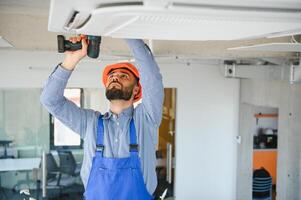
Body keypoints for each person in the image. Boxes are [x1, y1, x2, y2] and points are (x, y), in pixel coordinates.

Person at [40, 35, 164, 199]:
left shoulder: (146, 119)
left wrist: (126, 31)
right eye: (112, 77)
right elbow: (50, 100)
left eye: (123, 76)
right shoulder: (90, 123)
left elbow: (152, 78)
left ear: (136, 90)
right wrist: (71, 60)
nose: (115, 78)